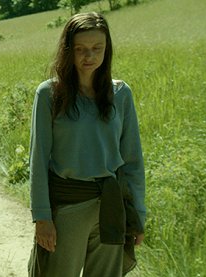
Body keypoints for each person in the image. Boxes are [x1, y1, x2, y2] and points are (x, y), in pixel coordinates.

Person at [28, 12, 146, 276]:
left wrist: (137, 214)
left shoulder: (121, 94)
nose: (89, 56)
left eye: (97, 48)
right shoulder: (49, 94)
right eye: (80, 49)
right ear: (68, 51)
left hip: (111, 208)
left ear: (107, 49)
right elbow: (38, 159)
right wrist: (42, 216)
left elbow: (132, 161)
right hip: (68, 208)